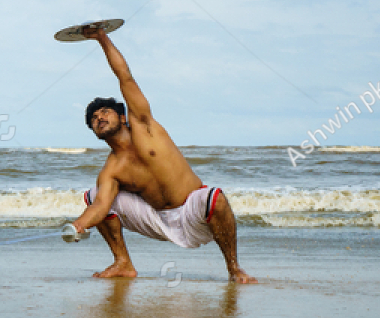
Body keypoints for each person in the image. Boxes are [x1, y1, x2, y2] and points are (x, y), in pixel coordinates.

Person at [69, 27, 256, 283]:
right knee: (94, 196)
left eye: (104, 112)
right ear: (93, 130)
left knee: (216, 198)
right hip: (156, 219)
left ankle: (234, 269)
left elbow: (124, 76)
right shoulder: (112, 169)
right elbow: (101, 207)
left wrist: (102, 37)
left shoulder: (145, 125)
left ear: (122, 116)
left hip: (191, 212)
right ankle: (122, 262)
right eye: (93, 118)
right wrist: (79, 225)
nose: (99, 117)